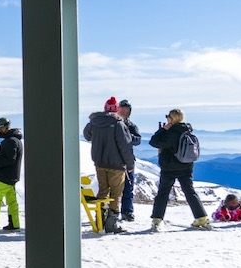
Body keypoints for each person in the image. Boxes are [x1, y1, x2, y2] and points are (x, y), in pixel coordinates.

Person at [149, 109, 210, 231]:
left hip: (169, 167)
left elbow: (154, 142)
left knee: (163, 193)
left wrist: (163, 129)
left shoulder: (170, 133)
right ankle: (201, 217)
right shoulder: (187, 130)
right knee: (189, 191)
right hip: (186, 166)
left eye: (168, 116)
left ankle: (157, 219)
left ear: (172, 118)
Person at [82, 97, 137, 234]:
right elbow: (125, 146)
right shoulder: (119, 124)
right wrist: (129, 164)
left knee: (102, 191)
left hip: (99, 162)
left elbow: (87, 135)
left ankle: (99, 221)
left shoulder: (94, 122)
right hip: (117, 165)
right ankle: (111, 223)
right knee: (116, 193)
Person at [117, 99, 141, 222]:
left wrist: (127, 136)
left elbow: (138, 140)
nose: (124, 111)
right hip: (114, 160)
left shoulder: (131, 126)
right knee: (113, 188)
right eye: (122, 108)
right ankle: (110, 212)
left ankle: (127, 212)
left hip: (127, 161)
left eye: (126, 109)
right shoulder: (113, 123)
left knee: (128, 187)